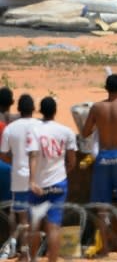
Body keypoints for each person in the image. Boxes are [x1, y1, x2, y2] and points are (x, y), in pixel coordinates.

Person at [82, 74, 117, 256]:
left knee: (102, 205)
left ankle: (104, 247)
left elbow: (85, 132)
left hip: (104, 156)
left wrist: (101, 126)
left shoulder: (97, 108)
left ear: (105, 88)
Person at [27, 97, 77, 262]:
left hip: (39, 185)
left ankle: (33, 258)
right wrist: (63, 171)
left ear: (40, 111)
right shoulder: (66, 131)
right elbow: (72, 161)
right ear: (55, 111)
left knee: (34, 226)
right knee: (54, 226)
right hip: (58, 183)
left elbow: (33, 156)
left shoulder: (34, 130)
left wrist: (33, 180)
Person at [0, 94, 40, 257]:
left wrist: (14, 160)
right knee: (37, 214)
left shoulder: (10, 128)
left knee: (18, 213)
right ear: (33, 109)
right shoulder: (41, 126)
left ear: (18, 108)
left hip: (17, 174)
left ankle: (20, 249)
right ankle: (34, 251)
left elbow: (3, 154)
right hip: (38, 175)